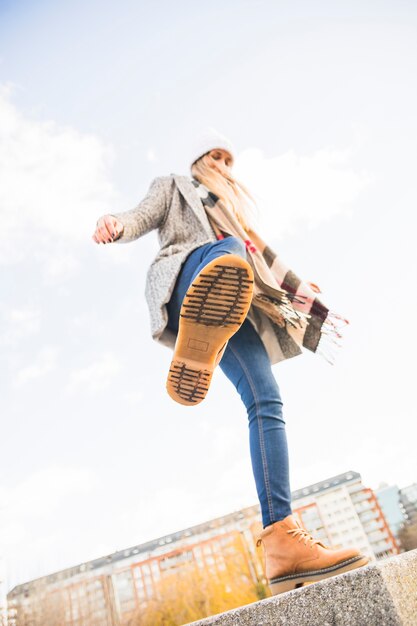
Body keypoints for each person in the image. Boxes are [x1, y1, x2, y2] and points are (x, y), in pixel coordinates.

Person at [92, 127, 369, 595]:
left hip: (234, 301)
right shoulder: (174, 186)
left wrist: (295, 290)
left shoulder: (239, 224)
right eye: (215, 158)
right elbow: (139, 217)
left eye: (228, 162)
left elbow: (266, 263)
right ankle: (201, 321)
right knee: (231, 253)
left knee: (267, 402)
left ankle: (282, 540)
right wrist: (113, 223)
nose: (222, 166)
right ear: (200, 160)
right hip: (186, 279)